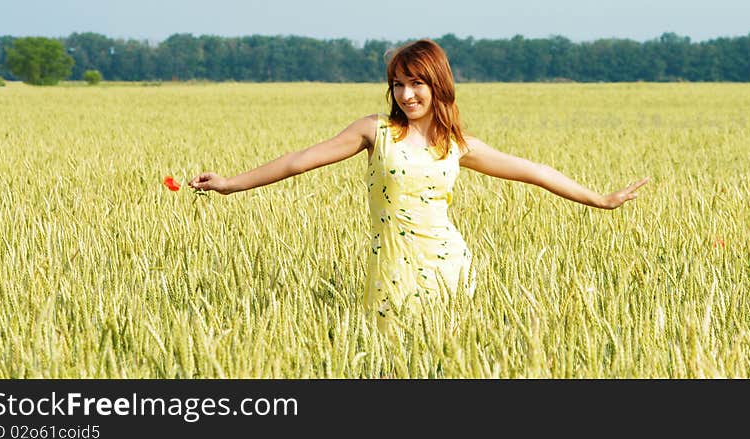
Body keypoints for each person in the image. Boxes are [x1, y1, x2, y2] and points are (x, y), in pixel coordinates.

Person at [189, 39, 649, 332]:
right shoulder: (375, 131)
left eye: (416, 83)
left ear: (437, 84)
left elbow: (533, 171)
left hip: (449, 267)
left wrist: (599, 199)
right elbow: (297, 162)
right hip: (391, 269)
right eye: (397, 84)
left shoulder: (458, 145)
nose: (406, 94)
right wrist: (230, 184)